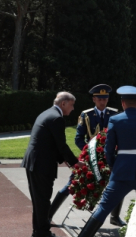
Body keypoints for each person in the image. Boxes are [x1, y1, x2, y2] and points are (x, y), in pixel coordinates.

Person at [62, 86, 136, 237]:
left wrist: (113, 165)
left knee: (104, 206)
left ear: (122, 103)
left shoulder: (116, 120)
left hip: (121, 170)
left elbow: (108, 148)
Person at [48, 84, 126, 226]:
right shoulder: (87, 115)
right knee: (71, 184)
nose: (103, 102)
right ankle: (48, 215)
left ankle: (115, 217)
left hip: (110, 157)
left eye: (105, 98)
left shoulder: (114, 114)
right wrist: (90, 152)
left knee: (118, 185)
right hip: (90, 157)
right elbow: (79, 138)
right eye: (100, 99)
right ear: (94, 99)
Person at [21, 92, 79, 237]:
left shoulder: (47, 113)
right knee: (43, 200)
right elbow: (61, 145)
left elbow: (52, 143)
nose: (73, 109)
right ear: (63, 104)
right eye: (72, 105)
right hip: (41, 165)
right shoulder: (57, 118)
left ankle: (38, 232)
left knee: (39, 200)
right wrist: (75, 163)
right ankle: (42, 234)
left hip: (35, 163)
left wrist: (65, 160)